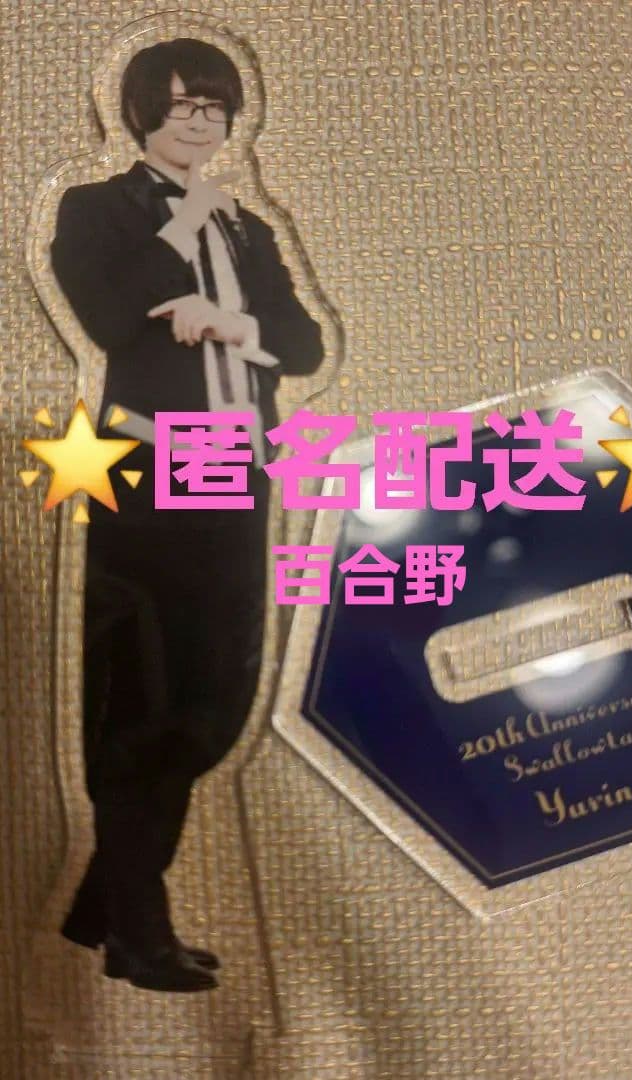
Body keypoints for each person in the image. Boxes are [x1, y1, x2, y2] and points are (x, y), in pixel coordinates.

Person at [50, 37, 324, 991]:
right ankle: (138, 932)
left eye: (212, 107)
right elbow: (107, 313)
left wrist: (234, 324)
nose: (199, 124)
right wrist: (184, 224)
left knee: (216, 704)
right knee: (150, 698)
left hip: (239, 463)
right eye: (179, 107)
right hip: (155, 461)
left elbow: (302, 343)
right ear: (137, 114)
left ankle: (106, 907)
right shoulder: (98, 209)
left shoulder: (250, 229)